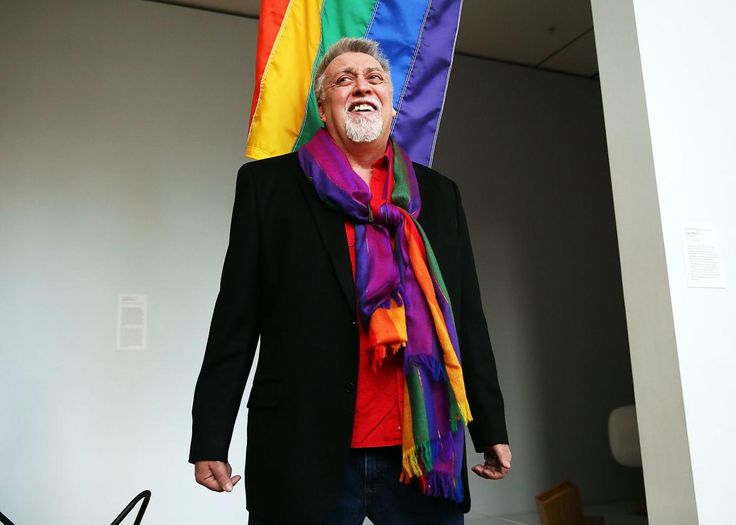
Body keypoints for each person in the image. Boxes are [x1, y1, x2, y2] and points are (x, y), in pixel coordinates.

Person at [189, 37, 511, 525]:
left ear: (389, 100)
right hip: (304, 450)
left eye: (374, 77)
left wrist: (490, 426)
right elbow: (235, 318)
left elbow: (467, 318)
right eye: (344, 79)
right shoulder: (269, 188)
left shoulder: (438, 196)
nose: (361, 86)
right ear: (323, 105)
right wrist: (211, 435)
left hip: (419, 456)